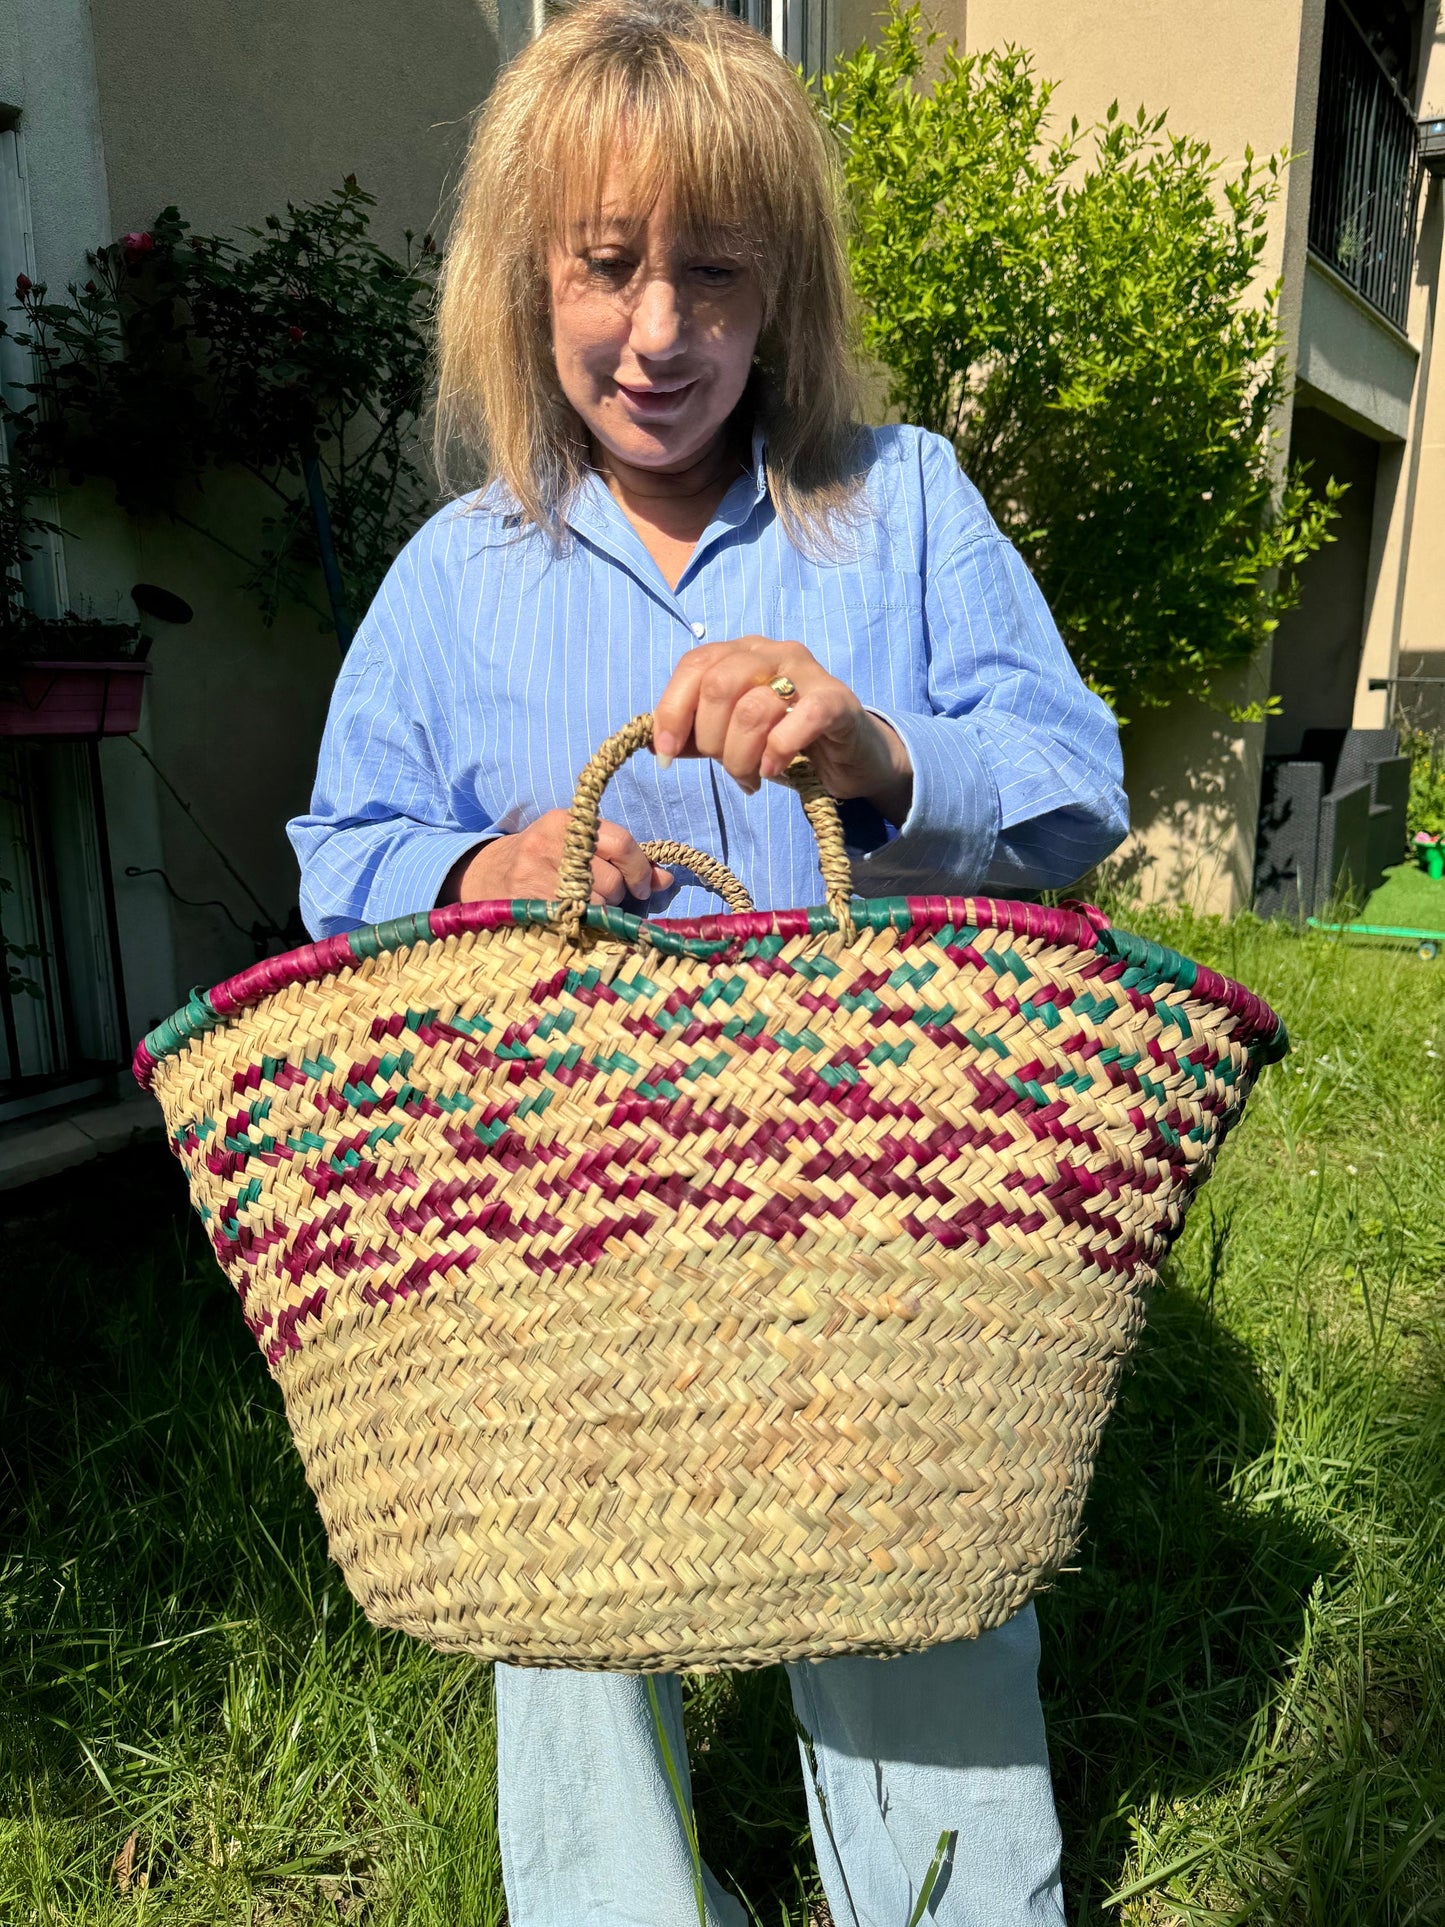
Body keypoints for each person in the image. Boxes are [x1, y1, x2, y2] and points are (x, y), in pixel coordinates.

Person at [288, 1, 1127, 1919]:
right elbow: (338, 863)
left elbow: (1075, 782)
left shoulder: (898, 506)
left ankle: (948, 1896)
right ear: (529, 278)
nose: (658, 331)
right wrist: (481, 867)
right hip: (559, 1214)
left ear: (785, 297)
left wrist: (883, 755)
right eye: (603, 268)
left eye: (715, 277)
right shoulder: (456, 575)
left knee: (908, 1552)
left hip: (895, 1190)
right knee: (553, 1581)